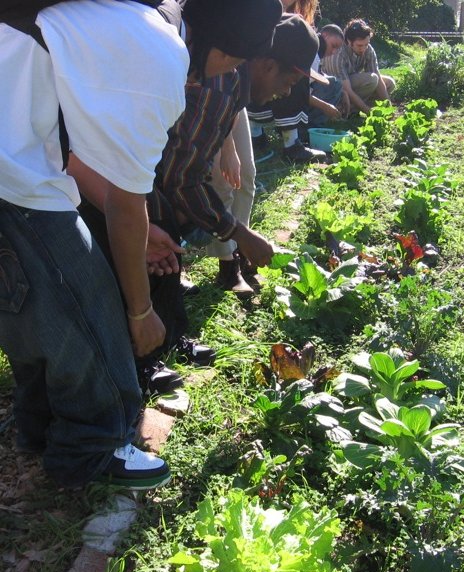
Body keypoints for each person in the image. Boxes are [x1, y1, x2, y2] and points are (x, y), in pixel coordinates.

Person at [0, 0, 189, 490]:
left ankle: (40, 430)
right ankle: (93, 450)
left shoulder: (89, 22)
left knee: (24, 305)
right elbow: (129, 205)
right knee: (91, 308)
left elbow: (80, 160)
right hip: (14, 175)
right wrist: (140, 311)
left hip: (14, 154)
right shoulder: (158, 51)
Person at [70, 0, 283, 393]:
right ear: (223, 53)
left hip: (108, 165)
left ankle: (165, 337)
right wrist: (140, 310)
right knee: (128, 258)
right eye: (233, 64)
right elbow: (147, 184)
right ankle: (131, 367)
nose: (224, 76)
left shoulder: (182, 45)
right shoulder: (169, 59)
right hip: (75, 164)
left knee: (160, 245)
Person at [247, 0, 348, 164]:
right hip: (262, 85)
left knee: (297, 80)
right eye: (333, 46)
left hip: (261, 85)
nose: (287, 91)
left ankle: (256, 134)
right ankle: (289, 142)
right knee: (297, 82)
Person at [321, 18, 396, 115]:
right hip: (333, 88)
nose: (363, 49)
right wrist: (369, 113)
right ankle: (347, 108)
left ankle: (354, 108)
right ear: (349, 41)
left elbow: (378, 78)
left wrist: (389, 108)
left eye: (366, 44)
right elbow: (346, 89)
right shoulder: (338, 53)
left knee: (389, 83)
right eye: (360, 45)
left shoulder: (368, 50)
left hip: (351, 82)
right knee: (372, 79)